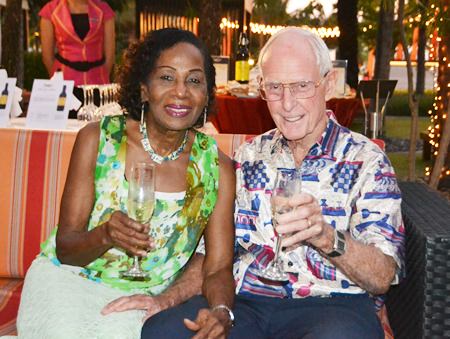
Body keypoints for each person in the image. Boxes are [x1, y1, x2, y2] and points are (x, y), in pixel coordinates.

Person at [140, 27, 405, 339]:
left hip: (333, 305)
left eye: (301, 86)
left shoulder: (367, 161)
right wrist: (164, 300)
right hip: (246, 304)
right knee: (163, 332)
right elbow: (212, 255)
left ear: (327, 84)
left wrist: (325, 236)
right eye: (275, 88)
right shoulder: (249, 156)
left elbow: (383, 275)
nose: (287, 103)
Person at [16, 28, 235, 339]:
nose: (182, 92)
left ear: (207, 94)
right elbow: (66, 249)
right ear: (144, 88)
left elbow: (218, 268)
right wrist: (106, 235)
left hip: (142, 297)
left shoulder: (217, 167)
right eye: (167, 78)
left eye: (195, 80)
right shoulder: (98, 139)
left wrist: (221, 311)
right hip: (69, 280)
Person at [39, 0, 115, 85]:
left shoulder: (104, 9)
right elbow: (47, 57)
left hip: (98, 81)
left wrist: (100, 75)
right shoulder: (50, 10)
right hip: (63, 82)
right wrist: (56, 79)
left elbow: (110, 57)